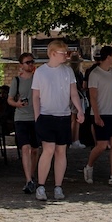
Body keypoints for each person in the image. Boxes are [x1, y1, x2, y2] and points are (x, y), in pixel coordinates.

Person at [32, 40, 83, 202]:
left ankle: (58, 186)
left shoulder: (68, 71)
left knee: (61, 151)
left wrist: (80, 110)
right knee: (48, 150)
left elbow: (73, 93)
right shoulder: (40, 72)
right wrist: (37, 116)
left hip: (63, 115)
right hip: (46, 116)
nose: (66, 56)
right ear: (53, 53)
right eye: (63, 53)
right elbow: (35, 96)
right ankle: (40, 186)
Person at [82, 46, 112, 187]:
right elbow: (93, 97)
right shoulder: (95, 74)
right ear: (108, 57)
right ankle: (89, 166)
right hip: (101, 113)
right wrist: (96, 115)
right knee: (101, 145)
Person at [6, 53, 41, 195]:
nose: (30, 64)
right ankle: (28, 180)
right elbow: (9, 99)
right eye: (27, 62)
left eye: (32, 62)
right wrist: (17, 104)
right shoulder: (16, 80)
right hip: (21, 118)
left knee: (35, 149)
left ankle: (32, 175)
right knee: (25, 148)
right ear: (21, 65)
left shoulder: (38, 79)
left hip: (36, 117)